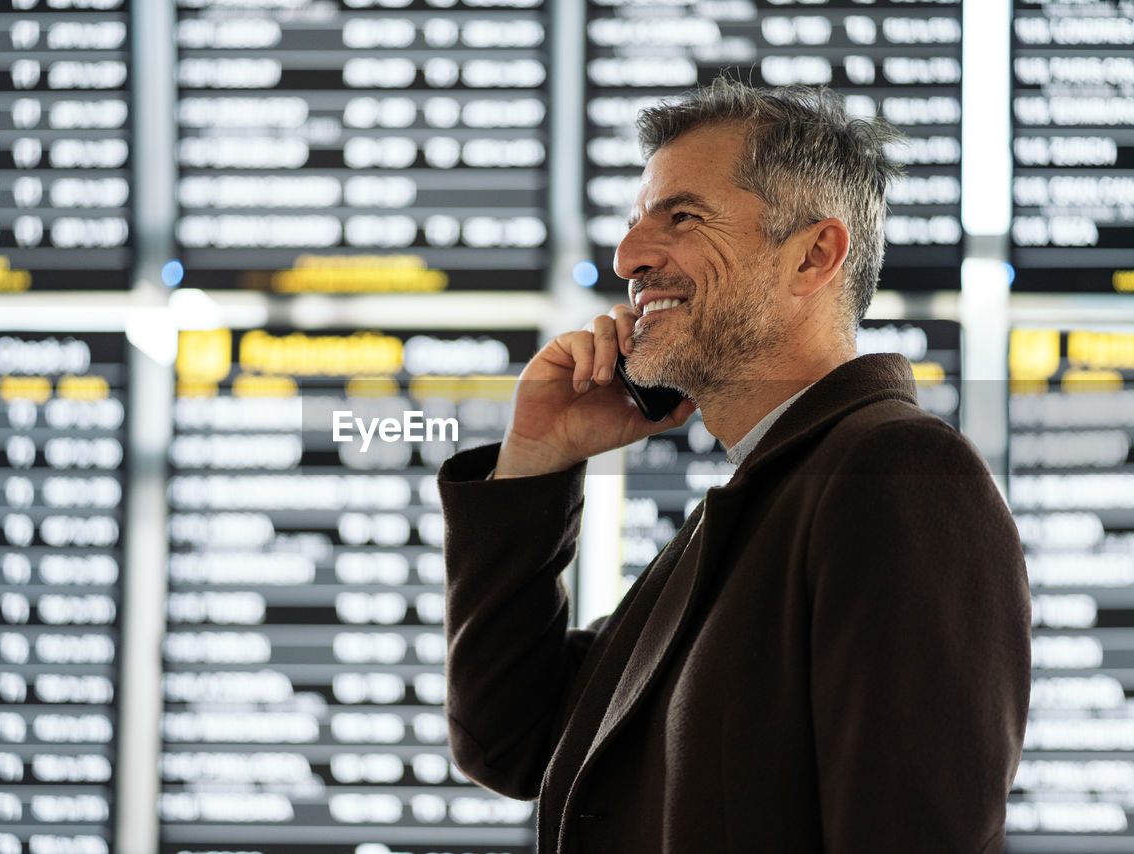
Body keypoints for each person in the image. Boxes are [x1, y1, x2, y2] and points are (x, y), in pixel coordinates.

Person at [437, 79, 1031, 853]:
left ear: (814, 255)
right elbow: (509, 741)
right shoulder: (758, 502)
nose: (628, 258)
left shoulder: (896, 475)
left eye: (681, 217)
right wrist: (536, 461)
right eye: (636, 224)